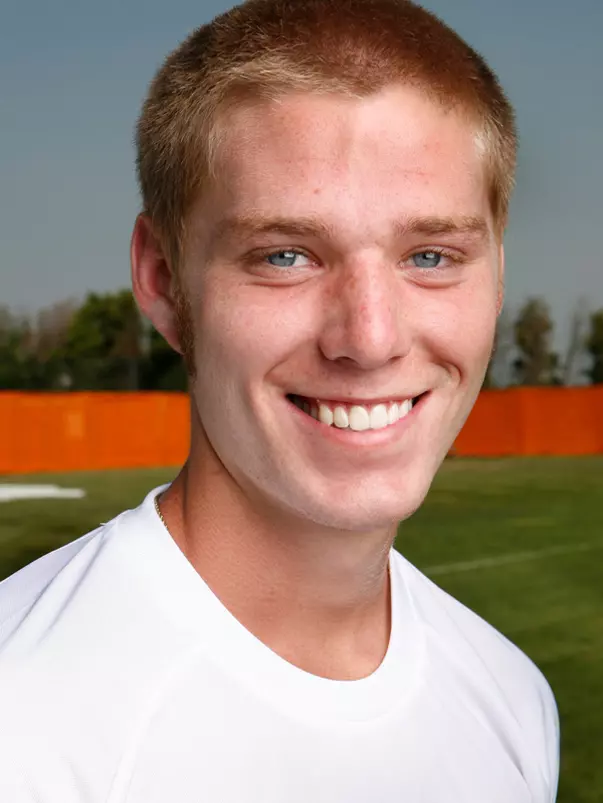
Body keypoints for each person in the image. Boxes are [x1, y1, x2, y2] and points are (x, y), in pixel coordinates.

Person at [0, 0, 559, 800]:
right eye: (286, 255)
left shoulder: (509, 696)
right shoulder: (24, 727)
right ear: (162, 281)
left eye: (430, 255)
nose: (368, 338)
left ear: (497, 272)